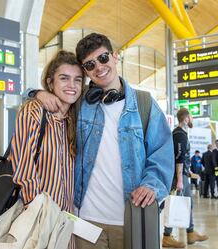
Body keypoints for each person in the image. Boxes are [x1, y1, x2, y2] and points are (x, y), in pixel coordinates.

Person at [35, 33, 175, 249]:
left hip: (130, 218)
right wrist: (36, 93)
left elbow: (162, 153)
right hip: (85, 220)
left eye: (103, 58)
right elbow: (49, 95)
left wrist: (152, 184)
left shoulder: (144, 104)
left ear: (115, 56)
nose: (99, 68)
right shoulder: (79, 104)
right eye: (90, 65)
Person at [10, 51, 84, 247]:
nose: (72, 85)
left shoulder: (74, 120)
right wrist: (38, 213)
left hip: (66, 221)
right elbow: (23, 165)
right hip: (37, 220)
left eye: (78, 80)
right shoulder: (34, 111)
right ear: (51, 83)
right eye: (64, 78)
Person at [162, 108, 208, 248]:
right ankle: (167, 236)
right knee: (175, 204)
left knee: (187, 204)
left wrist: (188, 174)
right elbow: (179, 158)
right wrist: (180, 180)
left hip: (182, 175)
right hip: (178, 177)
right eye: (191, 117)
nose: (192, 119)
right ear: (186, 118)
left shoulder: (180, 133)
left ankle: (191, 232)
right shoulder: (179, 134)